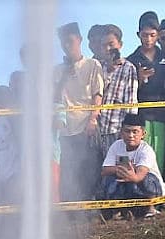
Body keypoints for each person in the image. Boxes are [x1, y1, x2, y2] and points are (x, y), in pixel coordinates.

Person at [54, 22, 104, 203]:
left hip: (86, 126)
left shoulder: (92, 64)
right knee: (68, 171)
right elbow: (55, 97)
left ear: (79, 40)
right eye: (63, 42)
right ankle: (70, 211)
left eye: (70, 41)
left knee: (89, 170)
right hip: (65, 129)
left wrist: (93, 119)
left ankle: (89, 209)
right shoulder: (57, 70)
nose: (67, 46)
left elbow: (97, 95)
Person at [127, 13, 165, 179]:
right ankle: (141, 196)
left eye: (152, 35)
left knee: (159, 156)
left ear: (158, 35)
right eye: (144, 35)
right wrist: (138, 79)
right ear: (138, 35)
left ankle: (156, 195)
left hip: (161, 114)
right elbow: (129, 92)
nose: (148, 39)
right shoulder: (131, 60)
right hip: (141, 114)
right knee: (142, 157)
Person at [100, 113, 165, 216]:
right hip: (126, 184)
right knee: (109, 179)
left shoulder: (146, 150)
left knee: (147, 178)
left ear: (143, 134)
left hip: (150, 188)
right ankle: (117, 210)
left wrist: (130, 174)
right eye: (127, 131)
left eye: (135, 132)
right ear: (121, 132)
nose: (131, 135)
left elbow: (139, 176)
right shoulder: (116, 146)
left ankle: (150, 209)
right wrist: (120, 170)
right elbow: (104, 170)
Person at [90, 25, 138, 155]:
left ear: (120, 44)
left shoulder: (128, 68)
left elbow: (131, 104)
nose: (107, 49)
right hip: (98, 131)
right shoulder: (97, 67)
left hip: (117, 131)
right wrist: (109, 71)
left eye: (111, 44)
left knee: (117, 171)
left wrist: (127, 132)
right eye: (103, 45)